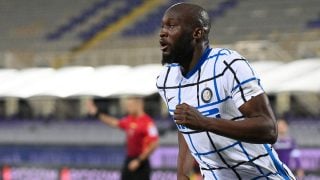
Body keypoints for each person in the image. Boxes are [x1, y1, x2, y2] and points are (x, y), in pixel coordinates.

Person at [156, 2, 295, 180]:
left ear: (197, 33)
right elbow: (186, 130)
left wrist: (205, 122)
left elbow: (268, 129)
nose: (162, 32)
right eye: (162, 26)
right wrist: (182, 175)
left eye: (171, 25)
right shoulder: (166, 80)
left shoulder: (227, 65)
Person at [87, 97, 159, 180]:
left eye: (130, 106)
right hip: (129, 159)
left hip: (141, 163)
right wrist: (97, 113)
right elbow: (114, 122)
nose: (128, 108)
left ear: (138, 104)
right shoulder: (129, 120)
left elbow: (154, 144)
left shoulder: (148, 123)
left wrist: (139, 161)